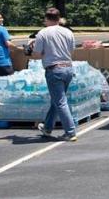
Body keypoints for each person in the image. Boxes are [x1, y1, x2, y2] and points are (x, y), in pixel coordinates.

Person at [32, 8, 78, 142]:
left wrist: (31, 49)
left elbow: (37, 54)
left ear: (46, 19)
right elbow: (71, 51)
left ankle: (70, 132)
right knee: (56, 100)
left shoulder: (43, 33)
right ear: (59, 19)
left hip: (54, 69)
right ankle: (47, 127)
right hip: (68, 68)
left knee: (60, 102)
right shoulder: (68, 32)